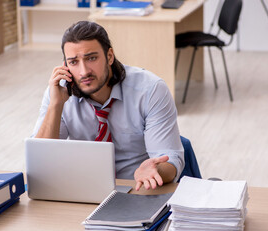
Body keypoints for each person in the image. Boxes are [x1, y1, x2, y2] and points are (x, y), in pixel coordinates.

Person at [32, 21, 184, 191]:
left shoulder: (150, 90)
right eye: (73, 62)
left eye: (91, 58)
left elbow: (171, 161)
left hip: (138, 188)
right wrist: (55, 105)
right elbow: (41, 162)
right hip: (84, 190)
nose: (84, 72)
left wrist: (155, 170)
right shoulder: (58, 92)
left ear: (109, 56)